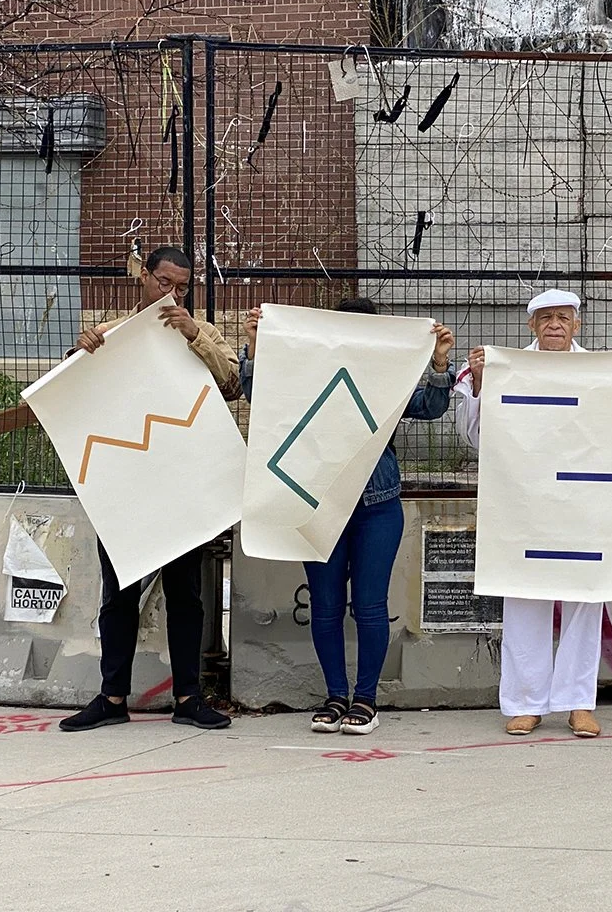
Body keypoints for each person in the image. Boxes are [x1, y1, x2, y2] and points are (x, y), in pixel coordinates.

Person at [453, 289, 612, 739]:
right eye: (545, 317)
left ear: (577, 325)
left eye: (563, 318)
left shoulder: (599, 372)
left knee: (585, 599)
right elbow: (474, 438)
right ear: (531, 326)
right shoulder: (503, 368)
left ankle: (577, 703)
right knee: (523, 597)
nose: (555, 324)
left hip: (585, 504)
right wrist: (478, 385)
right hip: (524, 504)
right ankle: (525, 702)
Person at [240, 296, 456, 735]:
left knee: (371, 607)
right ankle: (336, 696)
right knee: (325, 607)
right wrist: (257, 346)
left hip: (377, 507)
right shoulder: (311, 371)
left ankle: (366, 700)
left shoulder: (385, 377)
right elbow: (262, 395)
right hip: (318, 504)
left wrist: (437, 365)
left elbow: (430, 407)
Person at [60, 246, 241, 733]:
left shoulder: (198, 330)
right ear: (144, 276)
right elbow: (71, 395)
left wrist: (194, 335)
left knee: (186, 594)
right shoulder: (113, 332)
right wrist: (80, 354)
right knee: (118, 595)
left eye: (182, 286)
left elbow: (232, 383)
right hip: (124, 487)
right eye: (165, 282)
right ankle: (112, 696)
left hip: (182, 483)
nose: (172, 293)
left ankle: (189, 697)